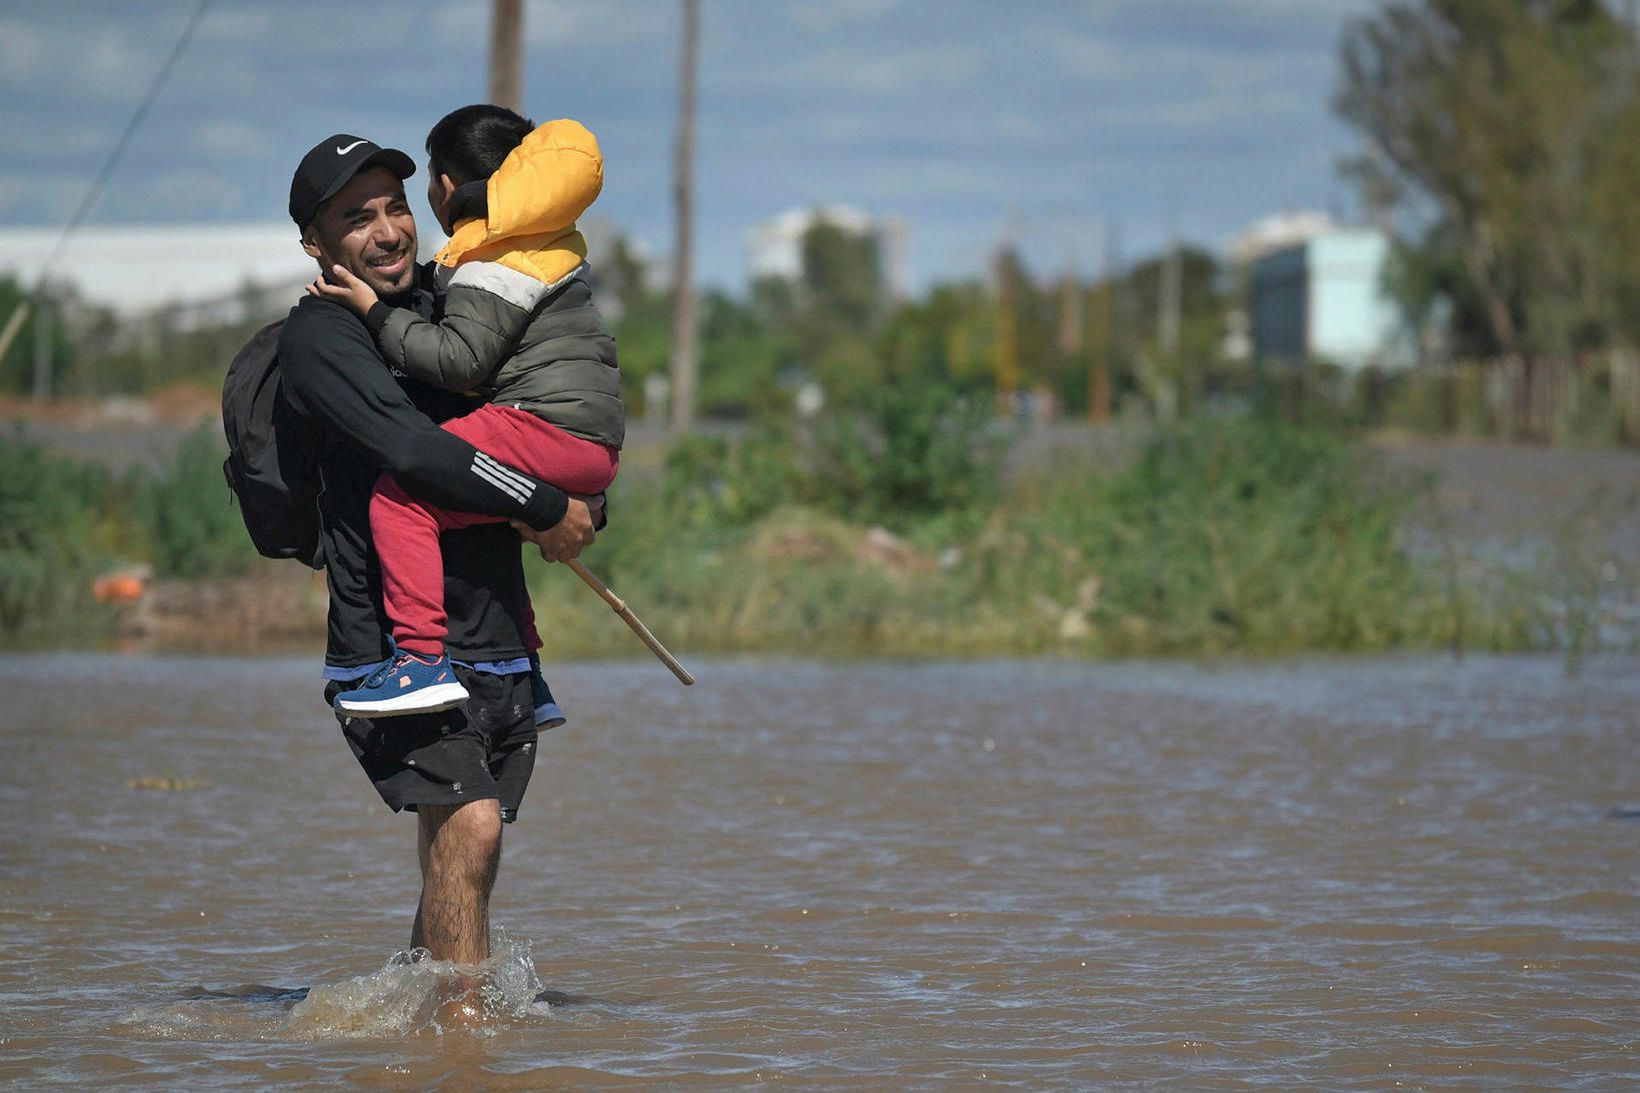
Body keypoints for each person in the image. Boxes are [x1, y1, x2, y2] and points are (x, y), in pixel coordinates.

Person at [276, 132, 598, 972]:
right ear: (316, 244)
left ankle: (411, 1026)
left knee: (462, 855)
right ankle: (465, 1040)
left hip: (497, 639)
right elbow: (414, 451)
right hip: (393, 647)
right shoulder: (322, 338)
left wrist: (586, 499)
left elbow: (550, 414)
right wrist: (541, 502)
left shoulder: (459, 302)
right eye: (356, 218)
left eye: (395, 208)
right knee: (473, 824)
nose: (387, 232)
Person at [309, 107, 624, 718]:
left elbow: (460, 361)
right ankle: (528, 674)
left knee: (403, 495)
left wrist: (375, 312)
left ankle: (420, 660)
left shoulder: (489, 255)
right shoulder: (548, 243)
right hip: (590, 444)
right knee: (482, 502)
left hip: (543, 426)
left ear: (444, 187)